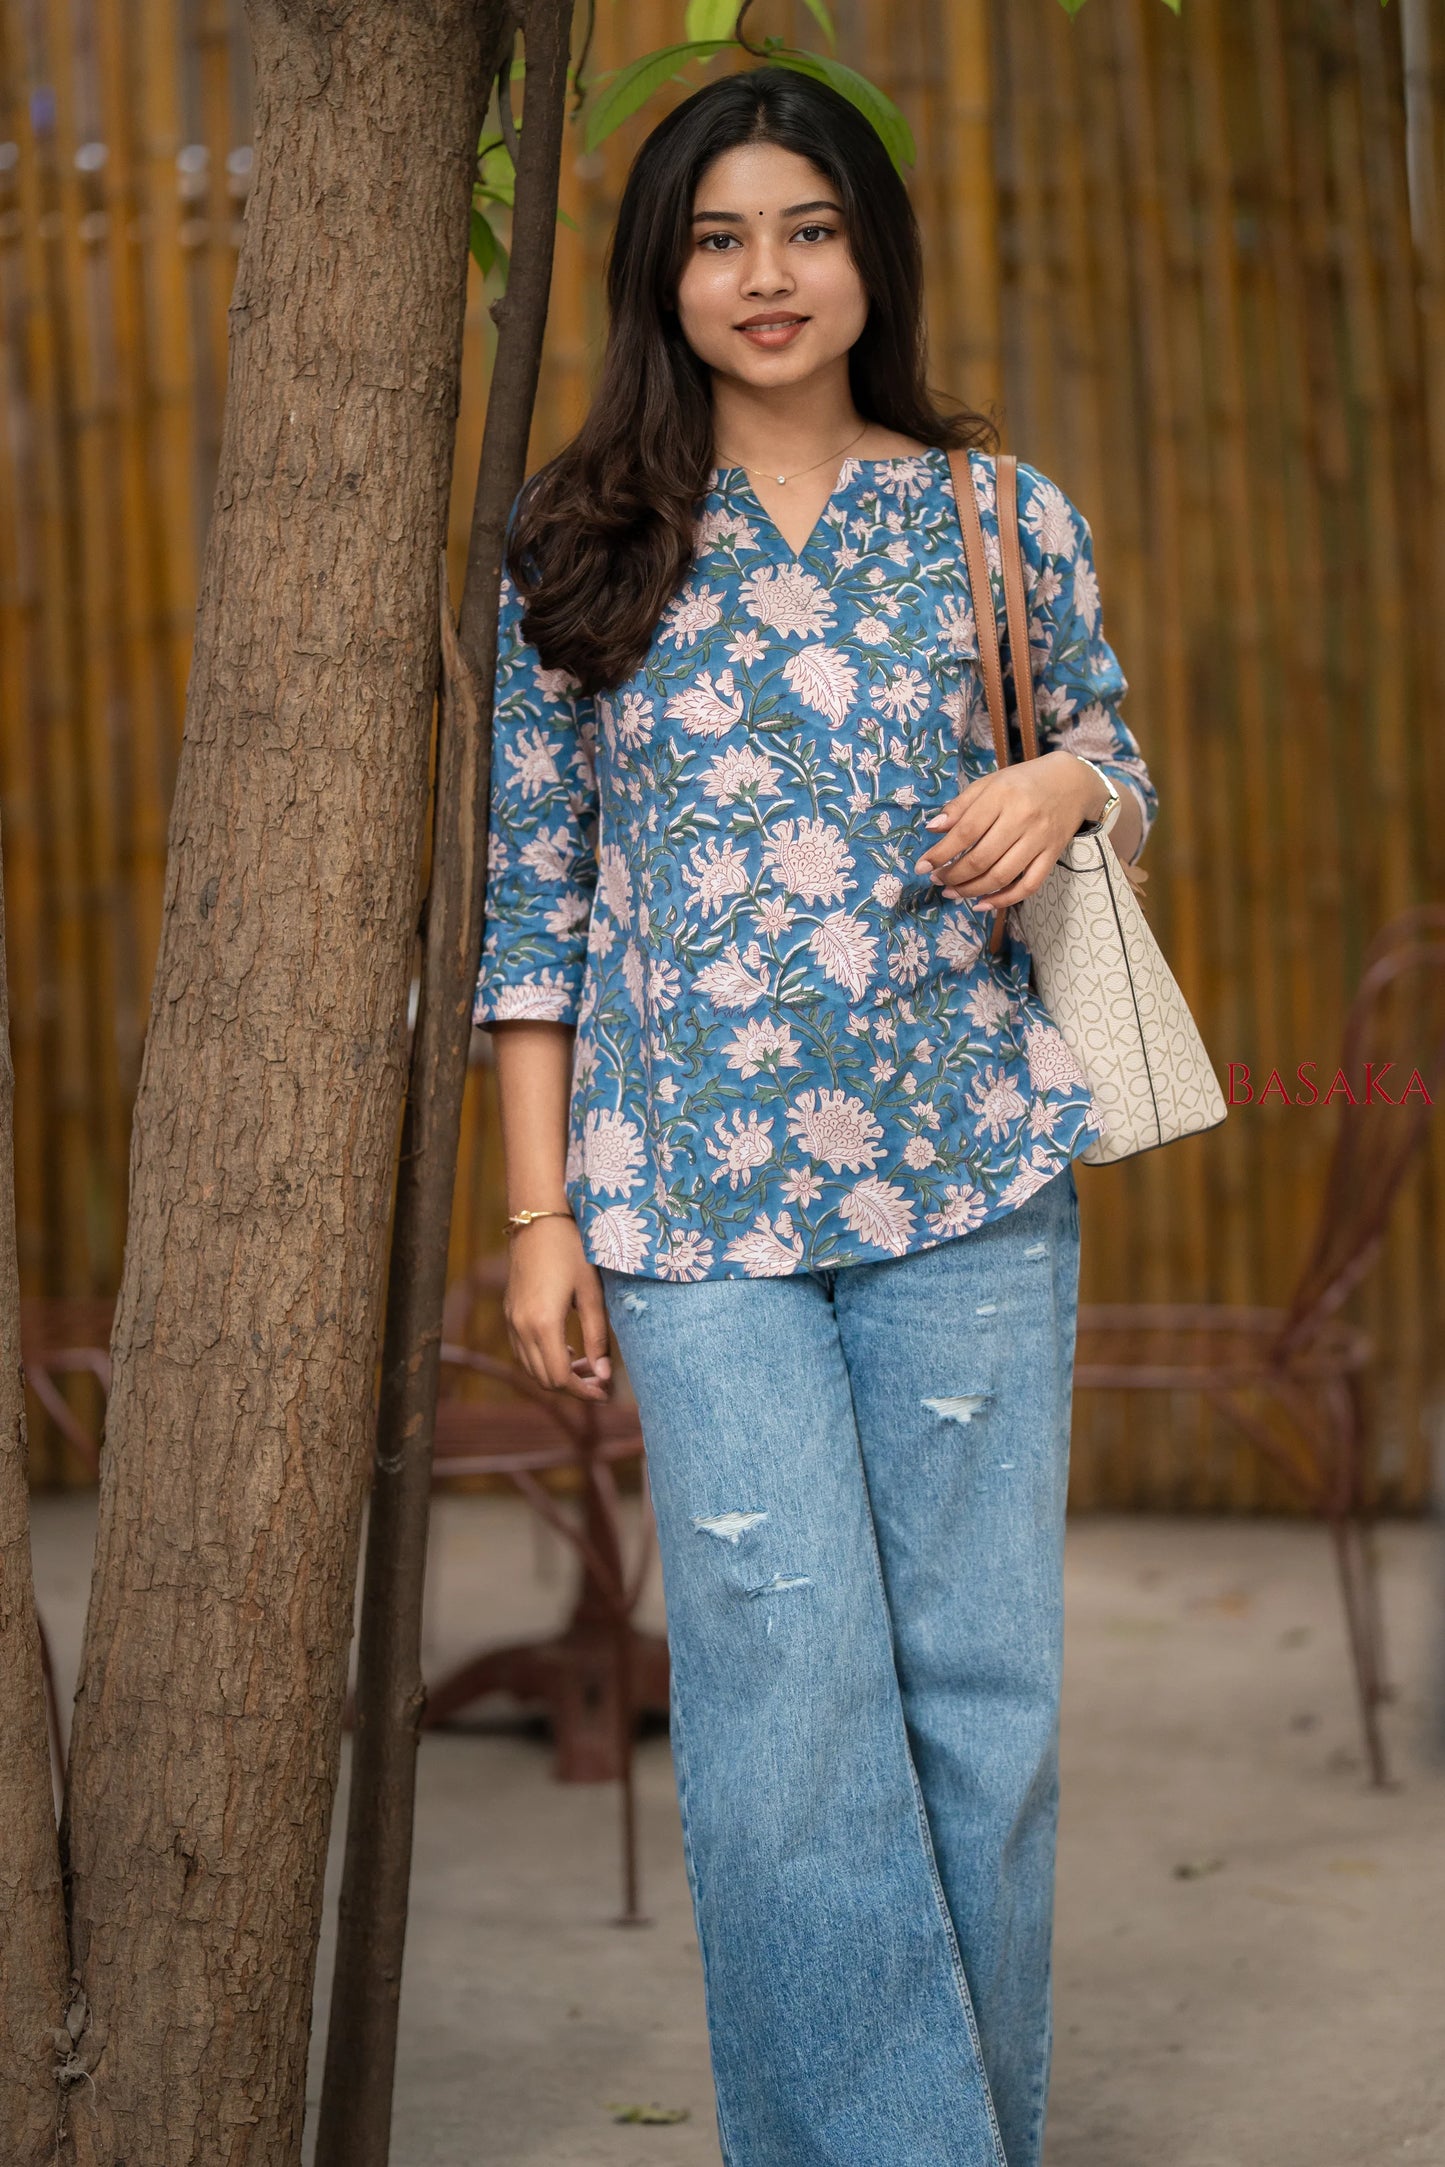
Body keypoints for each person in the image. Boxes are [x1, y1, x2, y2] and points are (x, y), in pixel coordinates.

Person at [473, 64, 1157, 2167]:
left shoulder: (995, 514)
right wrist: (537, 1218)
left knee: (984, 1710)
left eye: (808, 229)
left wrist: (1075, 783)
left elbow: (1114, 754)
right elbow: (537, 905)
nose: (767, 275)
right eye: (716, 237)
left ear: (874, 256)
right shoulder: (585, 552)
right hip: (690, 1214)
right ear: (658, 277)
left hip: (970, 1181)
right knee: (784, 1723)